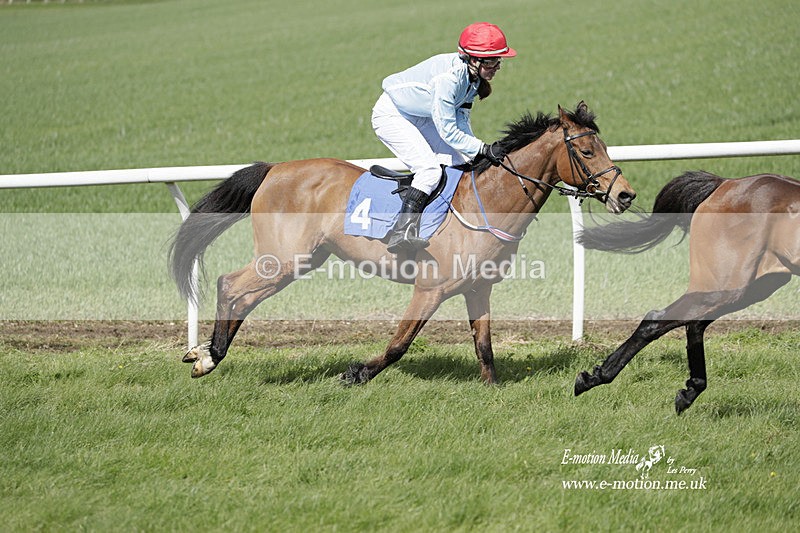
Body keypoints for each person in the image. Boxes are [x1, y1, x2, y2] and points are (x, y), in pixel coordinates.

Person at [372, 22, 517, 253]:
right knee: (430, 170)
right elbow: (448, 130)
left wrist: (478, 153)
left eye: (499, 60)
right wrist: (483, 148)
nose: (497, 66)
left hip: (422, 115)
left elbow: (462, 125)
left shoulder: (472, 80)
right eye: (491, 60)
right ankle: (402, 231)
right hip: (393, 115)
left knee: (461, 163)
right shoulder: (449, 80)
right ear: (472, 59)